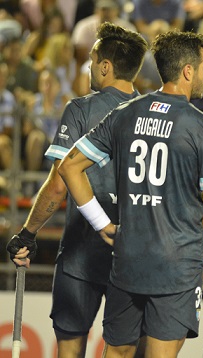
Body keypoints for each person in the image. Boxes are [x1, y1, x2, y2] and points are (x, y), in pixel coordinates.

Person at [56, 31, 203, 357]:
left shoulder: (125, 113)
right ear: (187, 71)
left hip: (128, 260)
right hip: (176, 268)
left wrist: (102, 224)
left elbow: (68, 167)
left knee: (118, 353)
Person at [5, 22, 148, 357]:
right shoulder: (151, 116)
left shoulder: (81, 109)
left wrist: (27, 233)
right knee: (122, 353)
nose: (87, 67)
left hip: (82, 255)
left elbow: (58, 185)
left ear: (105, 66)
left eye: (91, 58)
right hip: (131, 253)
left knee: (69, 352)